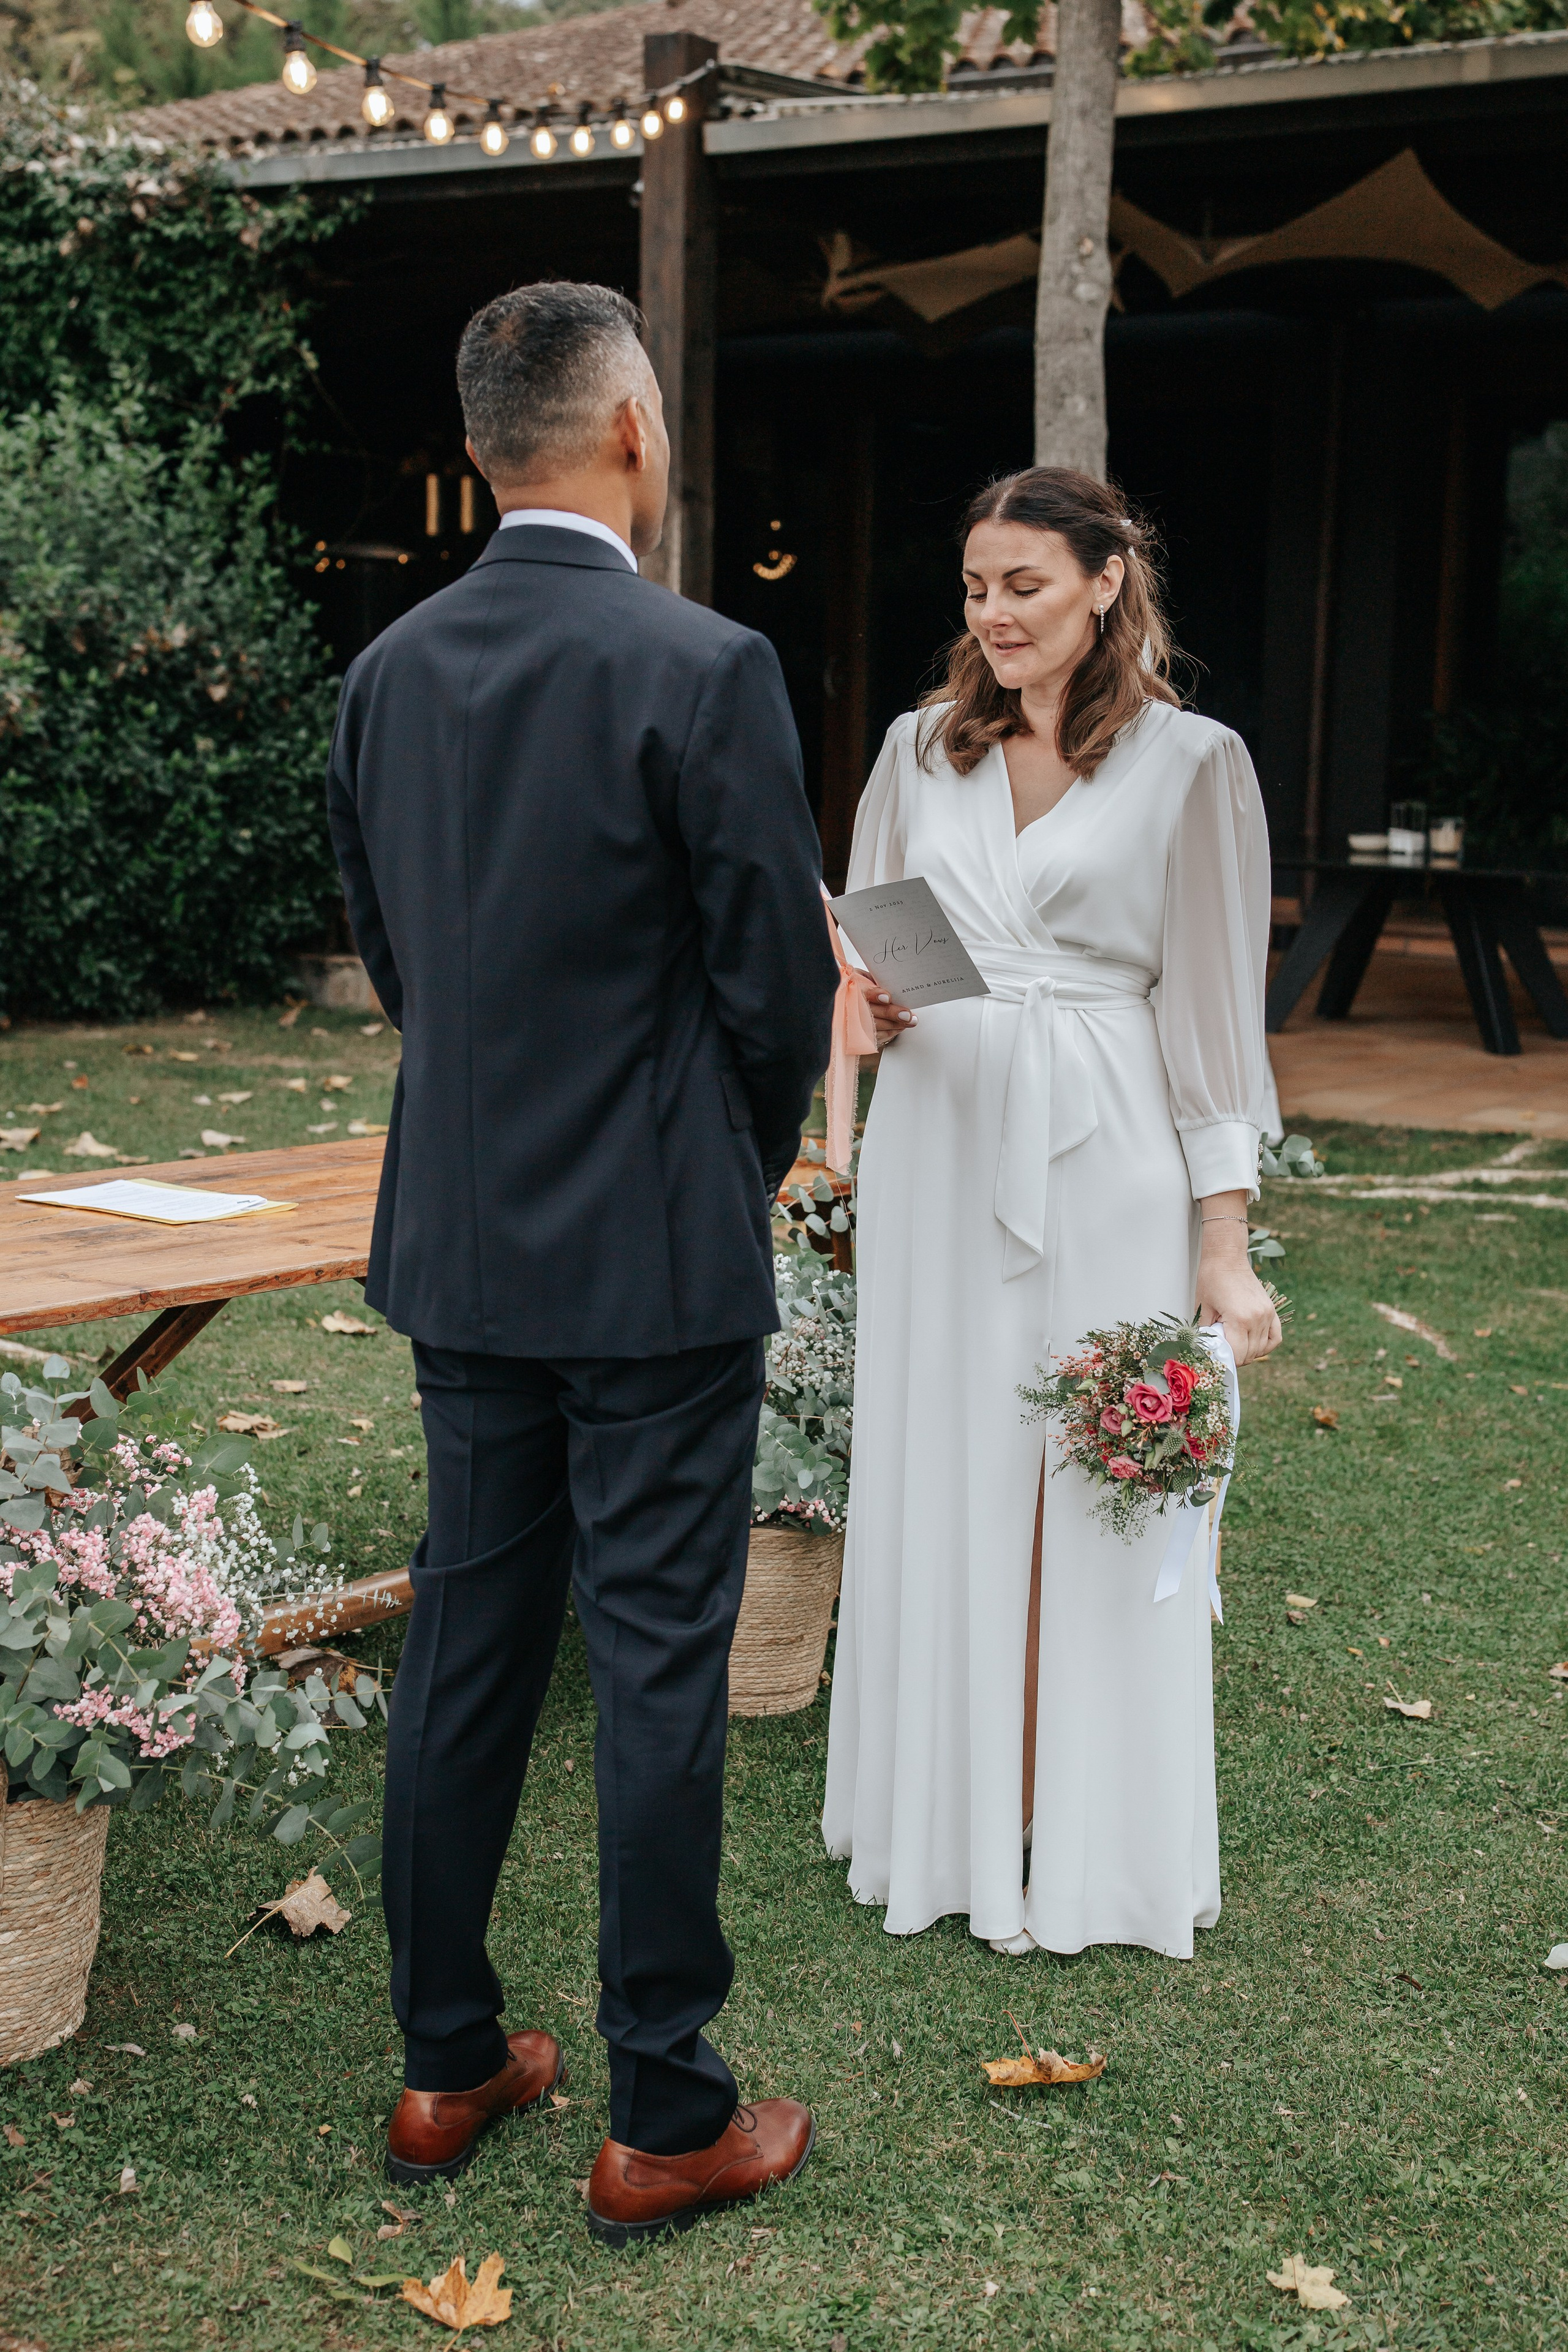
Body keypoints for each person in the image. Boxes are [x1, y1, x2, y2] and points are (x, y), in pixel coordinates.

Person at [326, 282, 838, 2242]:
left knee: (468, 1639)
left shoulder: (385, 673)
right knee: (652, 1663)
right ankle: (666, 2111)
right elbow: (772, 983)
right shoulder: (704, 662)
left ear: (484, 451)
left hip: (464, 1246)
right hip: (655, 1255)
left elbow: (398, 960)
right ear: (634, 429)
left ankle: (450, 2060)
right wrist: (740, 1148)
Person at [823, 467, 1278, 1960]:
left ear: (1102, 580)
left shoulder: (1191, 762)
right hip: (940, 1143)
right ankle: (943, 1820)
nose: (992, 613)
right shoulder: (916, 747)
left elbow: (1210, 1019)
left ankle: (1083, 1831)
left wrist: (1221, 1239)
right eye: (972, 586)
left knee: (1085, 1480)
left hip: (1104, 1157)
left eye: (1023, 583)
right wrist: (870, 1017)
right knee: (940, 1464)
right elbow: (868, 948)